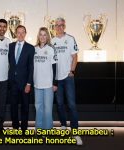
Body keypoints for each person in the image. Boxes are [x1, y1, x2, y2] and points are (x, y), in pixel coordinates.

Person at [51, 17, 83, 145]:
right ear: (54, 27)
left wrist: (72, 71)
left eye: (61, 25)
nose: (59, 27)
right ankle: (63, 125)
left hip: (68, 77)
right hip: (57, 79)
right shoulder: (52, 41)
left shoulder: (70, 39)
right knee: (59, 104)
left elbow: (75, 56)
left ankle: (75, 132)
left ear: (64, 26)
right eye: (57, 25)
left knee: (71, 105)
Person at [8, 25, 35, 133]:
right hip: (12, 82)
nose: (20, 34)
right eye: (18, 32)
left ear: (25, 33)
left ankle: (24, 128)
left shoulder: (30, 48)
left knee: (25, 106)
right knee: (13, 106)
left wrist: (29, 83)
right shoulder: (10, 46)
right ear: (15, 33)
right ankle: (15, 126)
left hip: (25, 83)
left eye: (22, 32)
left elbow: (31, 67)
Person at [34, 27, 57, 130]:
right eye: (41, 34)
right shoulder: (34, 49)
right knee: (38, 108)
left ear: (47, 36)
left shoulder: (51, 49)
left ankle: (47, 129)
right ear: (38, 36)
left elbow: (54, 67)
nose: (42, 37)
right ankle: (38, 128)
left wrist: (55, 83)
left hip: (48, 84)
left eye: (44, 35)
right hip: (37, 83)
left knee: (48, 109)